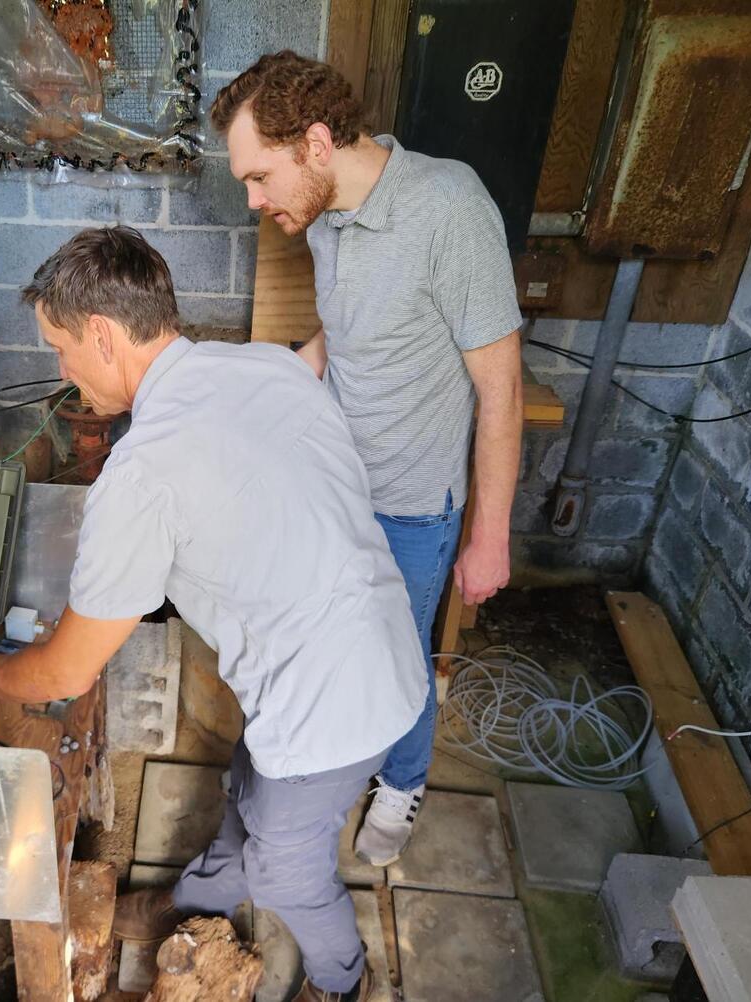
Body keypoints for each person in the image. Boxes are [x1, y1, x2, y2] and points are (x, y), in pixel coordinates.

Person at [0, 226, 425, 1002]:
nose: (63, 370)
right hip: (375, 643)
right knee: (249, 790)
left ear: (102, 334)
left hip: (336, 707)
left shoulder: (143, 472)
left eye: (60, 349)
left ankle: (343, 982)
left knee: (287, 870)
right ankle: (193, 902)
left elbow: (65, 672)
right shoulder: (266, 366)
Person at [212, 51, 524, 866]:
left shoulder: (450, 209)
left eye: (259, 177)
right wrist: (274, 388)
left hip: (414, 502)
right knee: (320, 637)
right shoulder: (324, 216)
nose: (253, 201)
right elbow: (348, 330)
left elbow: (501, 390)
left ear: (316, 144)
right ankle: (324, 766)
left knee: (397, 659)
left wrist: (489, 538)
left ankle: (402, 781)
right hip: (337, 485)